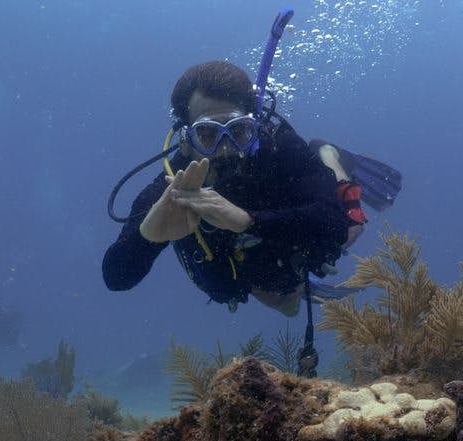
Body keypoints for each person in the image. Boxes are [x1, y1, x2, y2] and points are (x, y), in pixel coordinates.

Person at [102, 59, 365, 320]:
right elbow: (116, 278)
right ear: (185, 140)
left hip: (286, 250)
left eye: (238, 131)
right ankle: (279, 292)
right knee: (278, 297)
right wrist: (146, 238)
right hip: (248, 273)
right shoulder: (173, 187)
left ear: (255, 127)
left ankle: (328, 155)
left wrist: (247, 221)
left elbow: (335, 223)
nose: (225, 148)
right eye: (207, 134)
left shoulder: (279, 148)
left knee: (353, 227)